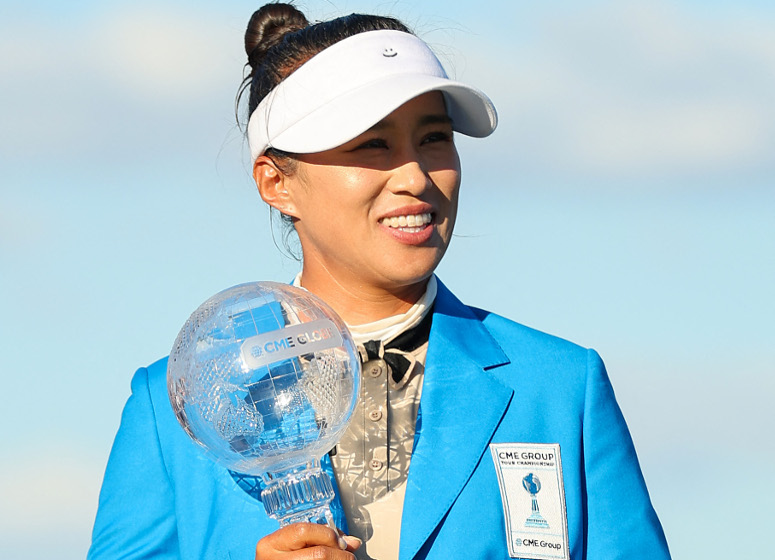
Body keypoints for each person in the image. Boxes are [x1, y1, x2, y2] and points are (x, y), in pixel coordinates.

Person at [88, 4, 671, 560]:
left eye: (434, 138)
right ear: (275, 181)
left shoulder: (561, 387)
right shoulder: (175, 407)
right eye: (372, 145)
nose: (415, 175)